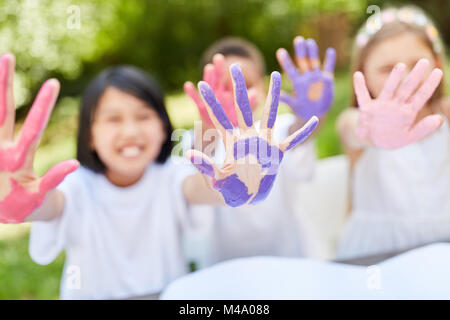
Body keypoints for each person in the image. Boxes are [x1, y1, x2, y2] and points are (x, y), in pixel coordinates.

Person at [0, 54, 316, 299]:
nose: (131, 131)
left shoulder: (171, 177)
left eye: (143, 115)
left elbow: (204, 186)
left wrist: (242, 183)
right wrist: (18, 200)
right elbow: (49, 205)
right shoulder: (76, 186)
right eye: (113, 119)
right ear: (90, 135)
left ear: (163, 126)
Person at [182, 37, 336, 267]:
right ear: (208, 94)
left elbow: (300, 133)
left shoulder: (278, 131)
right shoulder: (201, 138)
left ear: (263, 89)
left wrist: (315, 110)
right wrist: (208, 125)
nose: (237, 94)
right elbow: (200, 159)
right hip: (228, 266)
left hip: (289, 259)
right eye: (225, 86)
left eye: (247, 83)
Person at [336, 5, 450, 259]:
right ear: (362, 75)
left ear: (437, 63)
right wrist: (371, 131)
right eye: (388, 69)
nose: (406, 77)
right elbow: (351, 129)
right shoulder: (354, 121)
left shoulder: (447, 113)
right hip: (375, 256)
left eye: (417, 64)